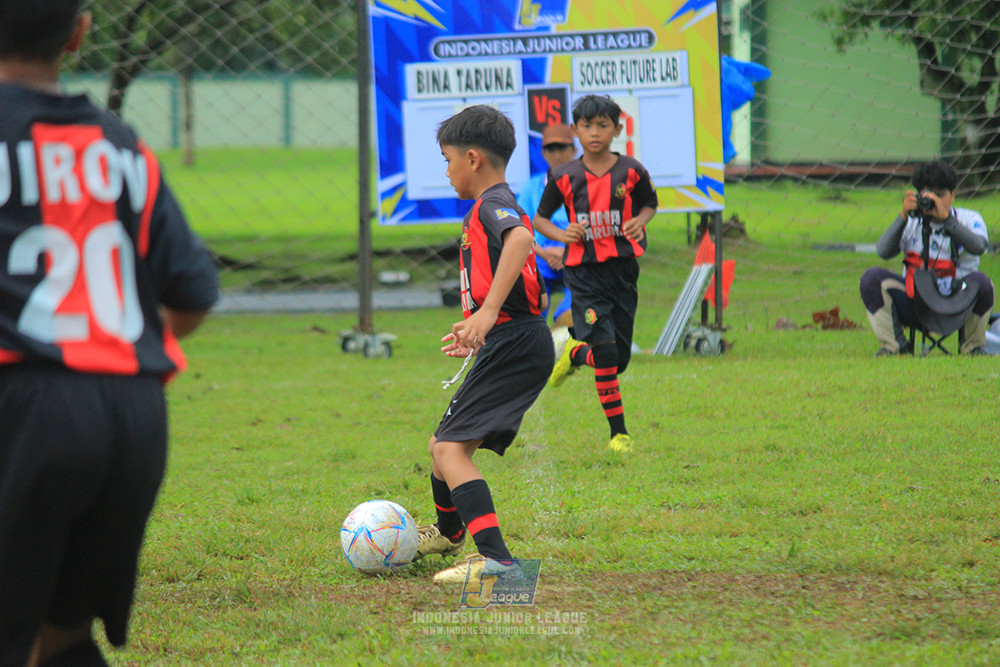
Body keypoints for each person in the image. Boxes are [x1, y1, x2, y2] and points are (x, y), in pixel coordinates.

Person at [0, 3, 220, 666]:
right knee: (63, 634)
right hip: (132, 413)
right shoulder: (119, 143)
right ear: (78, 32)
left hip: (27, 404)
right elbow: (193, 291)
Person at [412, 105, 553, 584]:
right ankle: (449, 532)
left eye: (448, 159)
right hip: (512, 338)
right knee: (440, 446)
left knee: (451, 451)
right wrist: (479, 322)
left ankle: (497, 560)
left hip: (516, 340)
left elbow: (519, 242)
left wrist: (489, 313)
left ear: (472, 159)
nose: (447, 171)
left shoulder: (493, 204)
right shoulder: (494, 201)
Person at [532, 95, 658, 453]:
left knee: (618, 361)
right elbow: (540, 219)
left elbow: (650, 203)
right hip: (584, 273)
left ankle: (573, 354)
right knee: (605, 353)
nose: (595, 132)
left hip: (622, 270)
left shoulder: (631, 170)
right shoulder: (564, 176)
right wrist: (561, 234)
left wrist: (640, 221)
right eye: (587, 126)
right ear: (575, 131)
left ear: (617, 129)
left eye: (603, 125)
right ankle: (619, 434)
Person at [860, 160, 993, 356]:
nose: (934, 201)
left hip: (956, 302)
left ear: (953, 194)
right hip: (915, 300)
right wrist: (903, 216)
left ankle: (972, 348)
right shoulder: (911, 221)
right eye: (929, 195)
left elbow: (979, 247)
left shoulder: (969, 219)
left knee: (982, 283)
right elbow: (883, 251)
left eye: (940, 196)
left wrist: (948, 220)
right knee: (871, 278)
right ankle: (894, 346)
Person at [516, 123, 577, 327]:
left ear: (574, 150)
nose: (557, 154)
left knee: (572, 313)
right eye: (551, 149)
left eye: (562, 148)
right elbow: (519, 229)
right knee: (532, 311)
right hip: (540, 258)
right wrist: (544, 253)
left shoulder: (586, 185)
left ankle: (567, 322)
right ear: (543, 153)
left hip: (578, 257)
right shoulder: (532, 188)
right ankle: (536, 335)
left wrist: (566, 251)